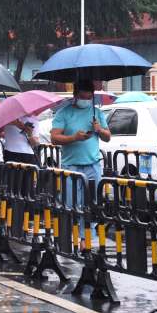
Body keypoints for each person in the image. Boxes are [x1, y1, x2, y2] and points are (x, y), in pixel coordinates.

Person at [51, 79, 111, 247]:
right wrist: (74, 138)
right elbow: (54, 138)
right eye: (83, 97)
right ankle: (72, 235)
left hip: (92, 165)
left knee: (93, 203)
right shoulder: (64, 113)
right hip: (71, 166)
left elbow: (107, 136)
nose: (86, 100)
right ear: (75, 96)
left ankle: (87, 239)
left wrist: (99, 129)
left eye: (89, 97)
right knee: (71, 203)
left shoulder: (97, 113)